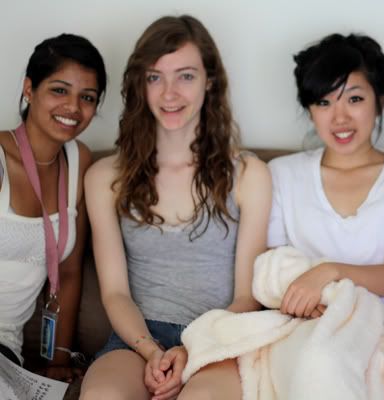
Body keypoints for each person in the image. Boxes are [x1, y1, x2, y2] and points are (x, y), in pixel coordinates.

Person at [79, 15, 271, 400]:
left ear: (209, 80)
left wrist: (193, 348)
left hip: (217, 341)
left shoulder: (249, 174)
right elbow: (115, 292)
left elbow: (246, 297)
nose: (169, 93)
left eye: (185, 76)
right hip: (137, 340)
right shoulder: (105, 177)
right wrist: (152, 351)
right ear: (140, 84)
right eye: (155, 77)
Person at [268, 33, 384, 344]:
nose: (340, 118)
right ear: (310, 110)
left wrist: (328, 272)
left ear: (379, 102)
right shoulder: (281, 174)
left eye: (355, 99)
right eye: (324, 102)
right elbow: (271, 269)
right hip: (304, 332)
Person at [0, 33, 106, 382]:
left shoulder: (78, 161)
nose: (73, 107)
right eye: (59, 90)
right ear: (29, 89)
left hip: (6, 350)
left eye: (87, 97)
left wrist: (58, 359)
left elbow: (69, 272)